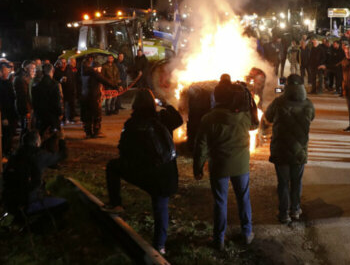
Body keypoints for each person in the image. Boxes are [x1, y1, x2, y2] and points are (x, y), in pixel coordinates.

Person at [103, 89, 183, 255]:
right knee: (161, 206)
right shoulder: (162, 119)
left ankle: (116, 203)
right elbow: (179, 119)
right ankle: (159, 246)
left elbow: (123, 149)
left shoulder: (132, 124)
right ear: (153, 103)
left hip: (145, 173)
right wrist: (166, 104)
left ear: (135, 104)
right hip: (167, 176)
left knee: (113, 166)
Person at [193, 75, 255, 250]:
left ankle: (219, 239)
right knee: (243, 198)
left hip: (219, 165)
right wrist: (249, 99)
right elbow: (255, 124)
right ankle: (247, 233)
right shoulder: (244, 116)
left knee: (220, 201)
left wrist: (198, 168)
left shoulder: (209, 118)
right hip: (241, 165)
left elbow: (201, 146)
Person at [265, 74, 315, 223]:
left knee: (283, 182)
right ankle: (295, 210)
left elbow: (268, 117)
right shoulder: (308, 104)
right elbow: (311, 118)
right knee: (296, 181)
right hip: (299, 150)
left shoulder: (278, 102)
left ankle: (283, 213)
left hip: (281, 149)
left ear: (286, 86)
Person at [2, 130, 68, 224]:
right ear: (37, 143)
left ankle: (19, 220)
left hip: (9, 203)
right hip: (29, 202)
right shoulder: (39, 156)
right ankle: (37, 226)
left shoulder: (14, 156)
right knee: (63, 204)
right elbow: (62, 155)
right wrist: (61, 140)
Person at [81, 57, 117, 138]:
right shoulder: (95, 73)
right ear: (96, 68)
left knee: (87, 116)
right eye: (100, 68)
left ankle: (88, 133)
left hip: (84, 97)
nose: (101, 70)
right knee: (97, 115)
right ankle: (97, 132)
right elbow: (105, 80)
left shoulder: (84, 73)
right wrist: (116, 86)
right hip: (94, 98)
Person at [31, 64, 63, 135]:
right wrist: (60, 112)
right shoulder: (54, 85)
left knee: (42, 135)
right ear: (52, 71)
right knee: (53, 138)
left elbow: (34, 103)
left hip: (40, 116)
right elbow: (57, 101)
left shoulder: (36, 85)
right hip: (52, 116)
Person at [0, 61, 18, 158]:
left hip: (11, 113)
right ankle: (4, 153)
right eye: (6, 70)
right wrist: (3, 117)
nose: (8, 71)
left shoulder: (8, 82)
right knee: (5, 135)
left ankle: (8, 151)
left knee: (10, 134)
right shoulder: (1, 84)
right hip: (5, 114)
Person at [13, 60, 36, 135]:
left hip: (28, 107)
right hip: (25, 108)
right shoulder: (21, 79)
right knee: (26, 129)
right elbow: (23, 96)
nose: (34, 71)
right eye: (32, 68)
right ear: (26, 68)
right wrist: (27, 110)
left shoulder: (27, 78)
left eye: (34, 68)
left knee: (27, 128)